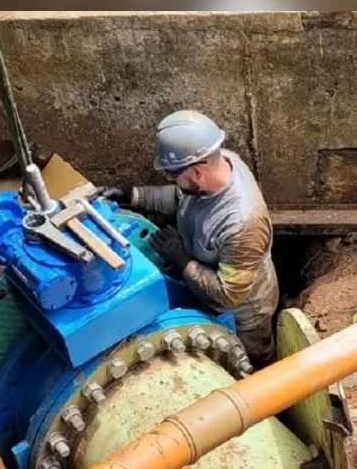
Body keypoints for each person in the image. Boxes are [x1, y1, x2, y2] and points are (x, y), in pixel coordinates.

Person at [98, 110, 279, 364]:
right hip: (206, 283)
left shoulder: (241, 223)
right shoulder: (218, 164)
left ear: (196, 172)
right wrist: (131, 195)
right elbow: (179, 197)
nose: (168, 178)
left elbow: (229, 295)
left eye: (172, 173)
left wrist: (183, 261)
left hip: (243, 312)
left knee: (254, 357)